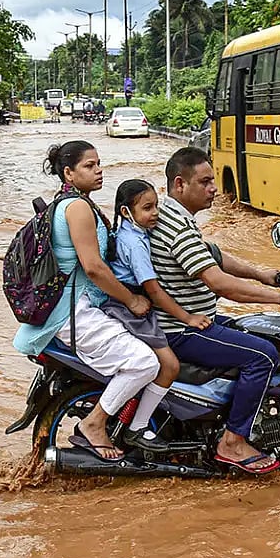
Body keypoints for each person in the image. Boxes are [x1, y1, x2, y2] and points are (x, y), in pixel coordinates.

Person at [150, 146, 280, 475]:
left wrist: (264, 274)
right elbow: (220, 283)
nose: (214, 188)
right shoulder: (178, 229)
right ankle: (233, 442)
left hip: (188, 320)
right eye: (206, 181)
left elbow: (214, 255)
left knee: (254, 331)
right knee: (264, 355)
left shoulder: (171, 216)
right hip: (181, 329)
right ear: (180, 184)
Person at [13, 141, 163, 461]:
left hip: (77, 307)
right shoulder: (77, 207)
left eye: (99, 164)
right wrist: (133, 300)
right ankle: (95, 423)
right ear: (68, 172)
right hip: (73, 311)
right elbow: (94, 268)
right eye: (89, 166)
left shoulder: (72, 202)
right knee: (146, 362)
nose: (99, 171)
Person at [100, 178, 213, 452]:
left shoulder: (132, 232)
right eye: (147, 208)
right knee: (170, 366)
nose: (155, 214)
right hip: (132, 307)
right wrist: (188, 318)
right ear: (127, 212)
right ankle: (137, 427)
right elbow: (154, 290)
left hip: (127, 302)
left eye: (156, 206)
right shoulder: (136, 244)